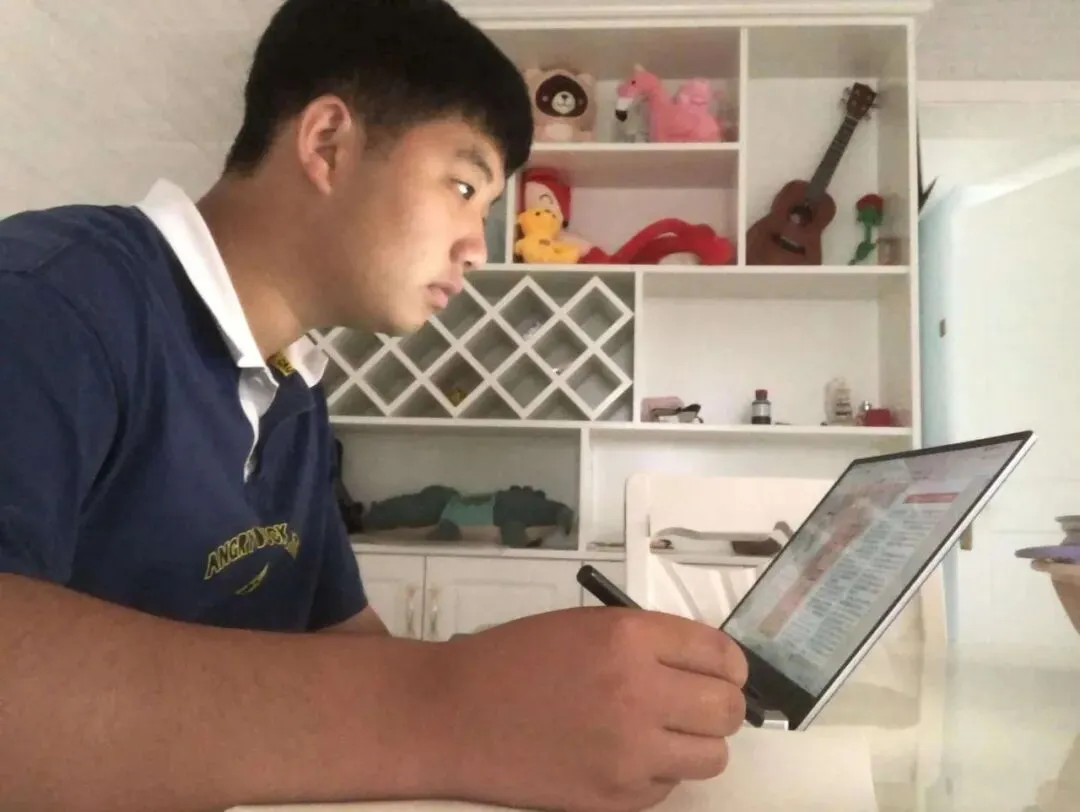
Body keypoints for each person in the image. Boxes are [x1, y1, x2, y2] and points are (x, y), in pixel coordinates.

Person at [0, 1, 749, 811]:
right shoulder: (48, 301)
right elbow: (412, 701)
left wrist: (538, 702)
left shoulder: (292, 393)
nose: (478, 247)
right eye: (463, 186)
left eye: (489, 209)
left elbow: (346, 645)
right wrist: (454, 706)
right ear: (328, 143)